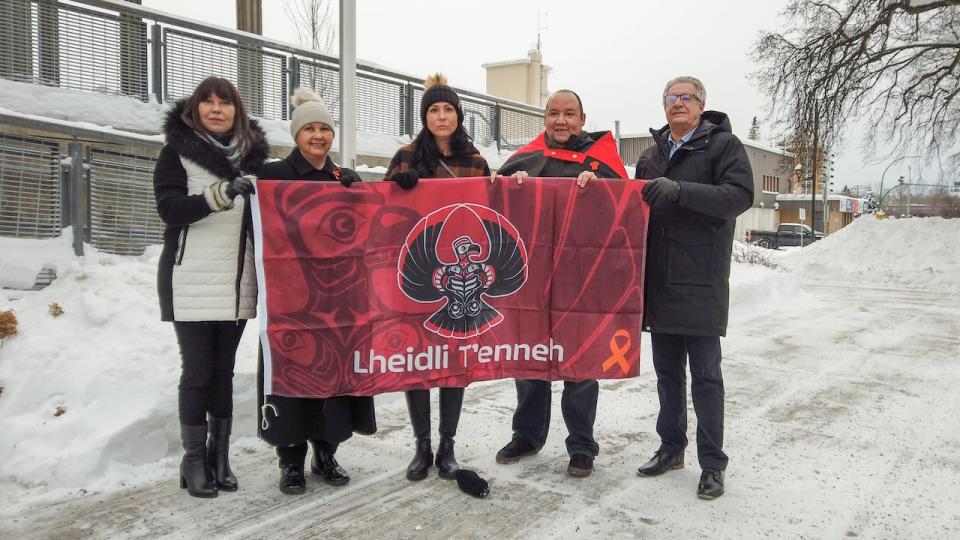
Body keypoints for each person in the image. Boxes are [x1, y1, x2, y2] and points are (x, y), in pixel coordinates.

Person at [492, 89, 628, 477]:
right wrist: (509, 187)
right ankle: (527, 435)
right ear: (545, 119)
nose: (561, 121)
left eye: (569, 114)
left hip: (582, 281)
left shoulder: (603, 163)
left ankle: (582, 446)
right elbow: (496, 212)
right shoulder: (524, 161)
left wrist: (605, 189)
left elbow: (624, 217)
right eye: (553, 113)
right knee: (530, 360)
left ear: (583, 120)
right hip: (532, 281)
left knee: (580, 364)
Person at [633, 76, 753, 500]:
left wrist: (681, 191)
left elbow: (738, 196)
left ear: (702, 105)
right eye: (671, 98)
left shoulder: (724, 147)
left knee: (705, 377)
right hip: (659, 283)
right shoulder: (650, 155)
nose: (678, 104)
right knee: (667, 375)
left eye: (686, 97)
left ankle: (713, 464)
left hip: (700, 280)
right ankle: (671, 449)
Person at [256, 87, 378, 495]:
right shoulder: (272, 177)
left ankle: (326, 453)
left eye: (325, 128)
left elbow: (372, 225)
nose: (318, 136)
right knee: (292, 378)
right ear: (296, 133)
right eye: (309, 128)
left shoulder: (346, 179)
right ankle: (290, 461)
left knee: (334, 377)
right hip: (290, 300)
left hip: (338, 299)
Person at [153, 76, 269, 498]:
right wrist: (219, 194)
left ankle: (220, 458)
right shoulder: (177, 154)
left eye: (225, 103)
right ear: (195, 110)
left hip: (237, 284)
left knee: (223, 374)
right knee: (198, 372)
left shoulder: (253, 161)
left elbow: (291, 197)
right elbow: (169, 209)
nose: (216, 109)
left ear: (237, 111)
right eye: (208, 103)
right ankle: (194, 460)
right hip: (191, 281)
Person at [384, 73, 491, 481]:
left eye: (448, 109)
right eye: (434, 109)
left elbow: (488, 211)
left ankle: (448, 445)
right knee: (418, 359)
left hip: (460, 272)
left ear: (459, 116)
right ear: (424, 116)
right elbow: (384, 214)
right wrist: (398, 186)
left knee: (454, 360)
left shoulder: (475, 161)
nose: (441, 116)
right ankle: (422, 446)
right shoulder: (406, 155)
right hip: (418, 274)